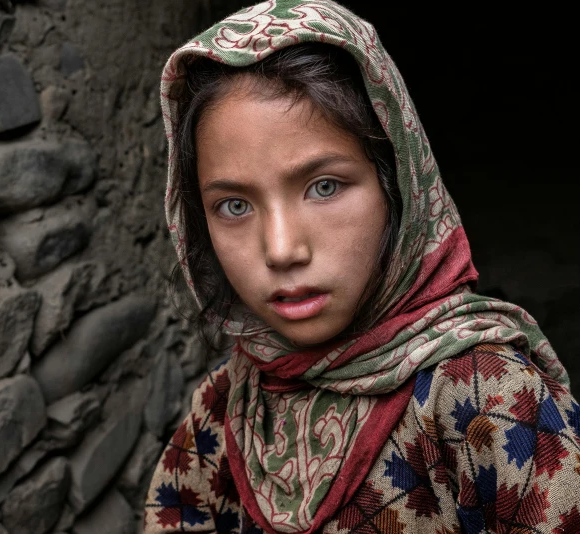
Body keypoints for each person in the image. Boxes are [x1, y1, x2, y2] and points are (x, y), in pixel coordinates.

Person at [144, 1, 580, 532]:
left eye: (324, 187)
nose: (281, 249)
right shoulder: (226, 408)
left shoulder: (485, 397)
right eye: (234, 205)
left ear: (398, 185)